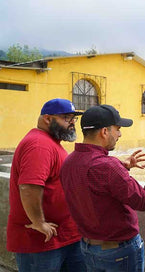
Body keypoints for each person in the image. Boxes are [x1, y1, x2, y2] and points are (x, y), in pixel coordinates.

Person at [60, 104, 145, 272]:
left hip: (88, 248)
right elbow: (143, 200)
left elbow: (95, 186)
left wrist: (121, 167)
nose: (120, 134)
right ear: (104, 132)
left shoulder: (69, 162)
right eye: (117, 129)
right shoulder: (107, 167)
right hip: (119, 251)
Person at [7, 98, 86, 271]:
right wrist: (39, 222)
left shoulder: (49, 142)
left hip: (63, 237)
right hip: (41, 241)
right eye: (67, 118)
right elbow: (29, 187)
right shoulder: (39, 144)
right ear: (48, 119)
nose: (73, 123)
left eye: (74, 118)